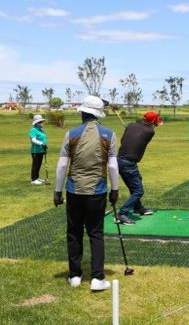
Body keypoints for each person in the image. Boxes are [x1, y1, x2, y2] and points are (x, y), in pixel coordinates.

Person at [53, 96, 119, 292]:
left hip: (74, 191)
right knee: (96, 233)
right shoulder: (109, 134)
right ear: (98, 114)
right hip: (97, 192)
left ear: (83, 112)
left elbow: (62, 165)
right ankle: (97, 278)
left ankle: (75, 276)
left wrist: (57, 191)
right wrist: (115, 190)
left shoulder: (71, 134)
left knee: (74, 233)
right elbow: (112, 166)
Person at [115, 111, 163, 225]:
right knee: (138, 191)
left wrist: (130, 128)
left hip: (120, 160)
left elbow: (123, 140)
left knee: (133, 188)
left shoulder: (131, 125)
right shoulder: (150, 132)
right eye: (155, 123)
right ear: (152, 121)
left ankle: (138, 208)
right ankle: (122, 214)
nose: (156, 125)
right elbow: (146, 130)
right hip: (128, 163)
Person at [29, 114, 48, 185]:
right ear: (36, 123)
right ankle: (33, 179)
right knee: (35, 165)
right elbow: (33, 140)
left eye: (42, 122)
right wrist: (42, 144)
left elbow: (43, 139)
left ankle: (37, 177)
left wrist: (45, 146)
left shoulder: (40, 130)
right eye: (40, 122)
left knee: (39, 164)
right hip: (35, 151)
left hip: (41, 150)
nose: (42, 123)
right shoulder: (33, 130)